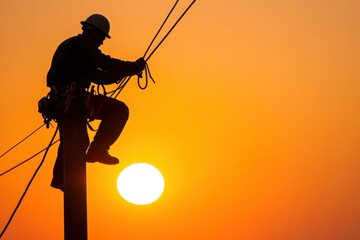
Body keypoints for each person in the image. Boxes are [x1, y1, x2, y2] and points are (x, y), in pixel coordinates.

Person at [47, 14, 145, 191]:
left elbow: (100, 76)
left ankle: (61, 178)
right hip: (71, 100)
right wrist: (132, 67)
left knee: (76, 141)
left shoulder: (77, 50)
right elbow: (107, 64)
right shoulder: (83, 46)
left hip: (62, 101)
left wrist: (126, 72)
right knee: (119, 111)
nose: (101, 43)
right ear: (93, 33)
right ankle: (98, 150)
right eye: (101, 38)